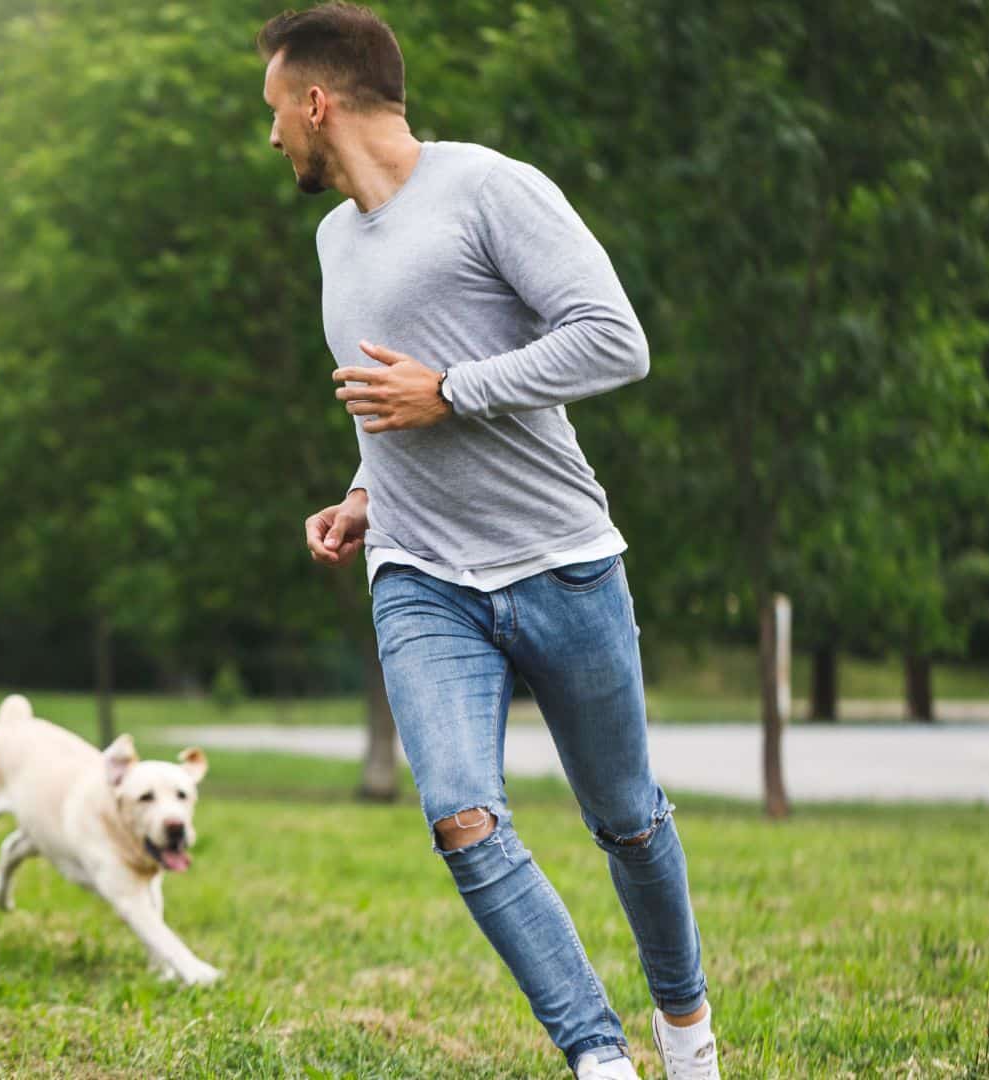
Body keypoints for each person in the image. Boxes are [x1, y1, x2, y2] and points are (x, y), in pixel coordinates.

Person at [257, 5, 721, 1078]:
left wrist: (453, 394)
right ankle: (598, 1058)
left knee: (629, 823)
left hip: (560, 560)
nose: (272, 136)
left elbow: (615, 341)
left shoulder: (489, 188)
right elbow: (397, 401)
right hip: (421, 577)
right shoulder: (333, 239)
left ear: (318, 102)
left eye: (275, 111)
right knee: (462, 816)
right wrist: (365, 491)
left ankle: (687, 1036)